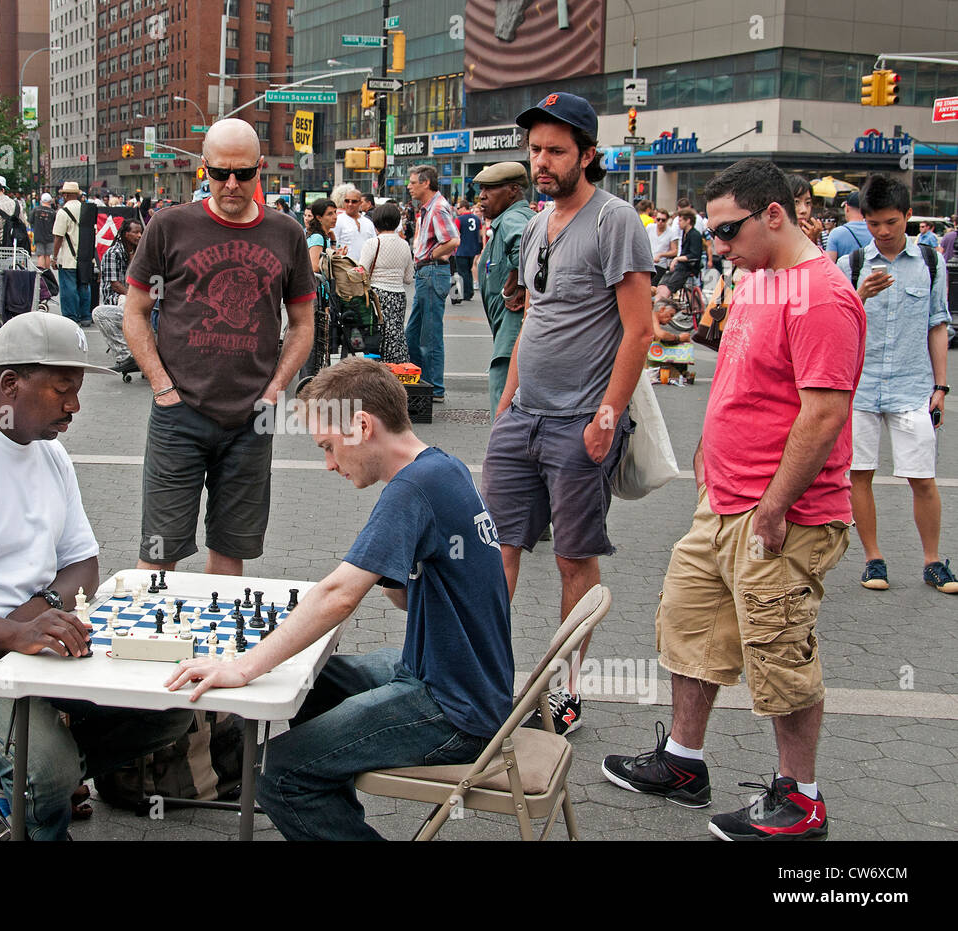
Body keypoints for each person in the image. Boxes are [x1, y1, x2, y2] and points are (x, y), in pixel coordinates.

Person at [602, 157, 865, 841]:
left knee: (779, 650)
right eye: (712, 232)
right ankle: (684, 762)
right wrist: (707, 454)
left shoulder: (825, 295)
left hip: (784, 513)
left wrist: (775, 506)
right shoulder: (758, 280)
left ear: (773, 214)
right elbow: (743, 377)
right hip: (722, 498)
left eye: (727, 230)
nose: (716, 245)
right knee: (691, 629)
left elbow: (824, 414)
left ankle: (800, 798)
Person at [165, 358, 514, 841]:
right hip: (450, 673)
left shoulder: (414, 488)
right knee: (309, 680)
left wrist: (243, 665)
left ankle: (316, 794)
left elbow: (337, 597)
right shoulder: (442, 467)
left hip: (453, 706)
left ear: (362, 425)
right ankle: (330, 788)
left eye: (328, 447)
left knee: (279, 774)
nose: (328, 464)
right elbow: (406, 600)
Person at [0, 312, 192, 841]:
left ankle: (2, 783)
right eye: (62, 390)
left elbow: (83, 563)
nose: (74, 405)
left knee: (167, 709)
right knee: (48, 770)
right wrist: (11, 631)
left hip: (20, 632)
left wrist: (39, 608)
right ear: (10, 384)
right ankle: (36, 793)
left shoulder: (49, 452)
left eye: (77, 390)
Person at [480, 91, 652, 734]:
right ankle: (489, 678)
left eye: (555, 150)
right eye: (535, 151)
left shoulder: (615, 222)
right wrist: (504, 406)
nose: (542, 162)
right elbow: (534, 320)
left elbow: (639, 332)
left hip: (581, 420)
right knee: (495, 546)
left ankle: (565, 689)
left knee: (573, 559)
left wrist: (608, 415)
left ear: (587, 153)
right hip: (523, 416)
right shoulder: (532, 225)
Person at [122, 118, 315, 576]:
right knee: (158, 550)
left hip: (252, 418)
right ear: (203, 169)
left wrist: (276, 389)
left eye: (244, 173)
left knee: (233, 550)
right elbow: (134, 311)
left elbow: (303, 323)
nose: (232, 183)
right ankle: (150, 639)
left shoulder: (285, 233)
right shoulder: (170, 226)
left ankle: (219, 648)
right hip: (179, 413)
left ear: (260, 170)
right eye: (220, 172)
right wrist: (161, 384)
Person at [833, 175, 955, 594]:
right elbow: (834, 325)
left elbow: (937, 325)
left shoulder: (930, 262)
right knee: (859, 474)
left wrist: (941, 386)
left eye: (890, 222)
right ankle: (873, 558)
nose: (883, 231)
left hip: (912, 385)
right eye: (873, 223)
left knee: (922, 477)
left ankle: (933, 560)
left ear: (907, 217)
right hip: (861, 387)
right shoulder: (850, 266)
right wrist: (859, 295)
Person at [473, 162, 536, 415]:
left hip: (513, 326)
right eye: (481, 189)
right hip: (509, 326)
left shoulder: (513, 218)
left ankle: (503, 453)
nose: (482, 196)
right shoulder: (507, 220)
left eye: (490, 188)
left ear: (513, 190)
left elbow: (524, 247)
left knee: (504, 399)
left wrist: (518, 281)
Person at [405, 165, 460, 403]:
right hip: (426, 273)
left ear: (426, 183)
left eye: (413, 182)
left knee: (430, 336)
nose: (409, 186)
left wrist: (433, 254)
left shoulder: (437, 208)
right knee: (413, 334)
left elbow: (452, 240)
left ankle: (434, 387)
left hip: (431, 272)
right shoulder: (430, 208)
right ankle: (422, 383)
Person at [357, 203, 413, 364]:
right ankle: (398, 365)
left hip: (377, 295)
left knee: (378, 335)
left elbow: (363, 271)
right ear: (397, 222)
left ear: (376, 222)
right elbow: (409, 278)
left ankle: (378, 368)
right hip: (399, 295)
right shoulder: (404, 245)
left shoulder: (372, 243)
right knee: (395, 333)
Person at [92, 217, 143, 374]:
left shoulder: (137, 251)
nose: (140, 235)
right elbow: (115, 284)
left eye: (141, 232)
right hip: (117, 296)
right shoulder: (114, 253)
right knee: (130, 308)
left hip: (133, 294)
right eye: (136, 232)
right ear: (126, 234)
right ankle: (126, 356)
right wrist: (135, 297)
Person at [51, 181, 92, 327]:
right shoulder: (87, 210)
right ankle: (85, 315)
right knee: (84, 286)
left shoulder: (63, 212)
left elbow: (58, 237)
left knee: (69, 288)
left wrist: (54, 257)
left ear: (66, 195)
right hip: (86, 258)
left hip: (68, 257)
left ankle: (71, 316)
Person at [654, 208, 704, 308]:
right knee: (661, 285)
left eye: (680, 220)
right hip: (680, 267)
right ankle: (657, 307)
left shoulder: (695, 235)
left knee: (668, 288)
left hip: (687, 268)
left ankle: (660, 310)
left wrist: (677, 259)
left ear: (688, 220)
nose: (678, 223)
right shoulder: (685, 234)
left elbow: (694, 255)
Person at [331, 183, 376, 262]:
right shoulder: (338, 221)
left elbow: (374, 245)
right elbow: (333, 245)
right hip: (344, 267)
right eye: (347, 201)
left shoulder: (368, 223)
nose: (350, 204)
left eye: (354, 201)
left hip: (365, 268)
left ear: (360, 203)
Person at [824, 191, 870, 262]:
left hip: (843, 272)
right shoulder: (873, 231)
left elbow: (829, 263)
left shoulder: (836, 233)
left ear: (847, 208)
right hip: (871, 272)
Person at [452, 199, 481, 304]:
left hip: (462, 249)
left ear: (464, 207)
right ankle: (470, 291)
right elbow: (480, 233)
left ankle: (465, 293)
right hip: (473, 248)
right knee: (469, 270)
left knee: (462, 272)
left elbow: (456, 233)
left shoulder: (459, 219)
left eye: (459, 208)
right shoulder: (476, 219)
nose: (457, 210)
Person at [787, 174, 823, 247]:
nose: (804, 210)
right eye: (796, 202)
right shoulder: (772, 237)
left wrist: (813, 241)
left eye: (808, 203)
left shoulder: (812, 234)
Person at [305, 198, 336, 274]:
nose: (335, 217)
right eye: (330, 214)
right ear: (319, 218)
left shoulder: (323, 236)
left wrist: (333, 240)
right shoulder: (317, 237)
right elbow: (314, 267)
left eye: (335, 212)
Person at [646, 208, 677, 285]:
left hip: (660, 265)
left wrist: (661, 255)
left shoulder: (671, 232)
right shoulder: (650, 227)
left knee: (653, 285)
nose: (660, 222)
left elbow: (674, 251)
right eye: (658, 219)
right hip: (648, 263)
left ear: (667, 221)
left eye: (663, 220)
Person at [31, 192, 57, 270]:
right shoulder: (52, 212)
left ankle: (41, 273)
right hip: (49, 235)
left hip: (38, 235)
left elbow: (31, 220)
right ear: (50, 201)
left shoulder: (36, 210)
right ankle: (47, 274)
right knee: (47, 255)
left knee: (40, 255)